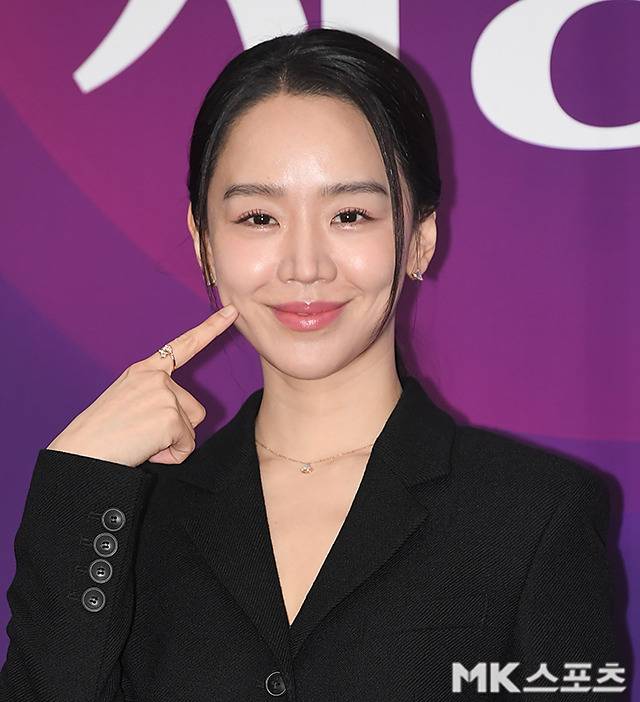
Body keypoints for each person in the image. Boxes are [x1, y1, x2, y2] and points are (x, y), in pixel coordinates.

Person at [0, 27, 624, 702]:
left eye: (350, 214)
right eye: (258, 218)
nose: (304, 265)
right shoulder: (125, 522)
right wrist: (79, 481)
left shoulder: (536, 515)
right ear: (203, 242)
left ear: (420, 238)